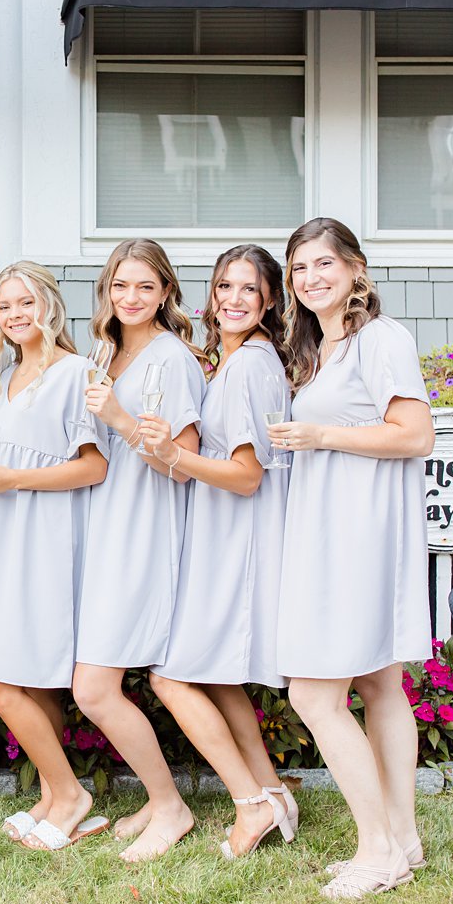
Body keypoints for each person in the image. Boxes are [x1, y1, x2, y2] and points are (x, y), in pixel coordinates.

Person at [268, 217, 434, 899]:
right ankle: (403, 837)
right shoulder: (328, 345)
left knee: (313, 691)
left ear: (356, 268)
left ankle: (377, 849)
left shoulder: (380, 338)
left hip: (357, 534)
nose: (310, 277)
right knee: (378, 683)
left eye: (323, 263)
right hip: (335, 525)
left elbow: (415, 433)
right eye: (299, 267)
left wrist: (320, 433)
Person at [147, 244, 298, 859]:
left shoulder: (247, 367)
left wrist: (171, 455)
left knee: (172, 676)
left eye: (247, 289)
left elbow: (245, 475)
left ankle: (249, 802)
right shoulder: (237, 363)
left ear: (268, 301)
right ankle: (271, 791)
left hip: (238, 544)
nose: (233, 300)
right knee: (221, 681)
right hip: (224, 539)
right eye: (223, 287)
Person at [73, 238, 208, 863]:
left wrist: (124, 422)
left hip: (143, 533)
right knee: (104, 680)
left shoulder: (172, 358)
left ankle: (172, 805)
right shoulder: (106, 352)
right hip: (101, 532)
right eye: (120, 286)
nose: (130, 298)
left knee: (94, 688)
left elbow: (182, 466)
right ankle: (158, 802)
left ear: (166, 294)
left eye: (145, 288)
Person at [0, 261, 109, 851]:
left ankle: (71, 794)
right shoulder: (5, 375)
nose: (14, 315)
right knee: (30, 682)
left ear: (50, 306)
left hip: (46, 540)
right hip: (5, 540)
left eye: (25, 302)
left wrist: (14, 481)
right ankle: (53, 797)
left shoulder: (74, 372)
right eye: (4, 307)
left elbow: (93, 466)